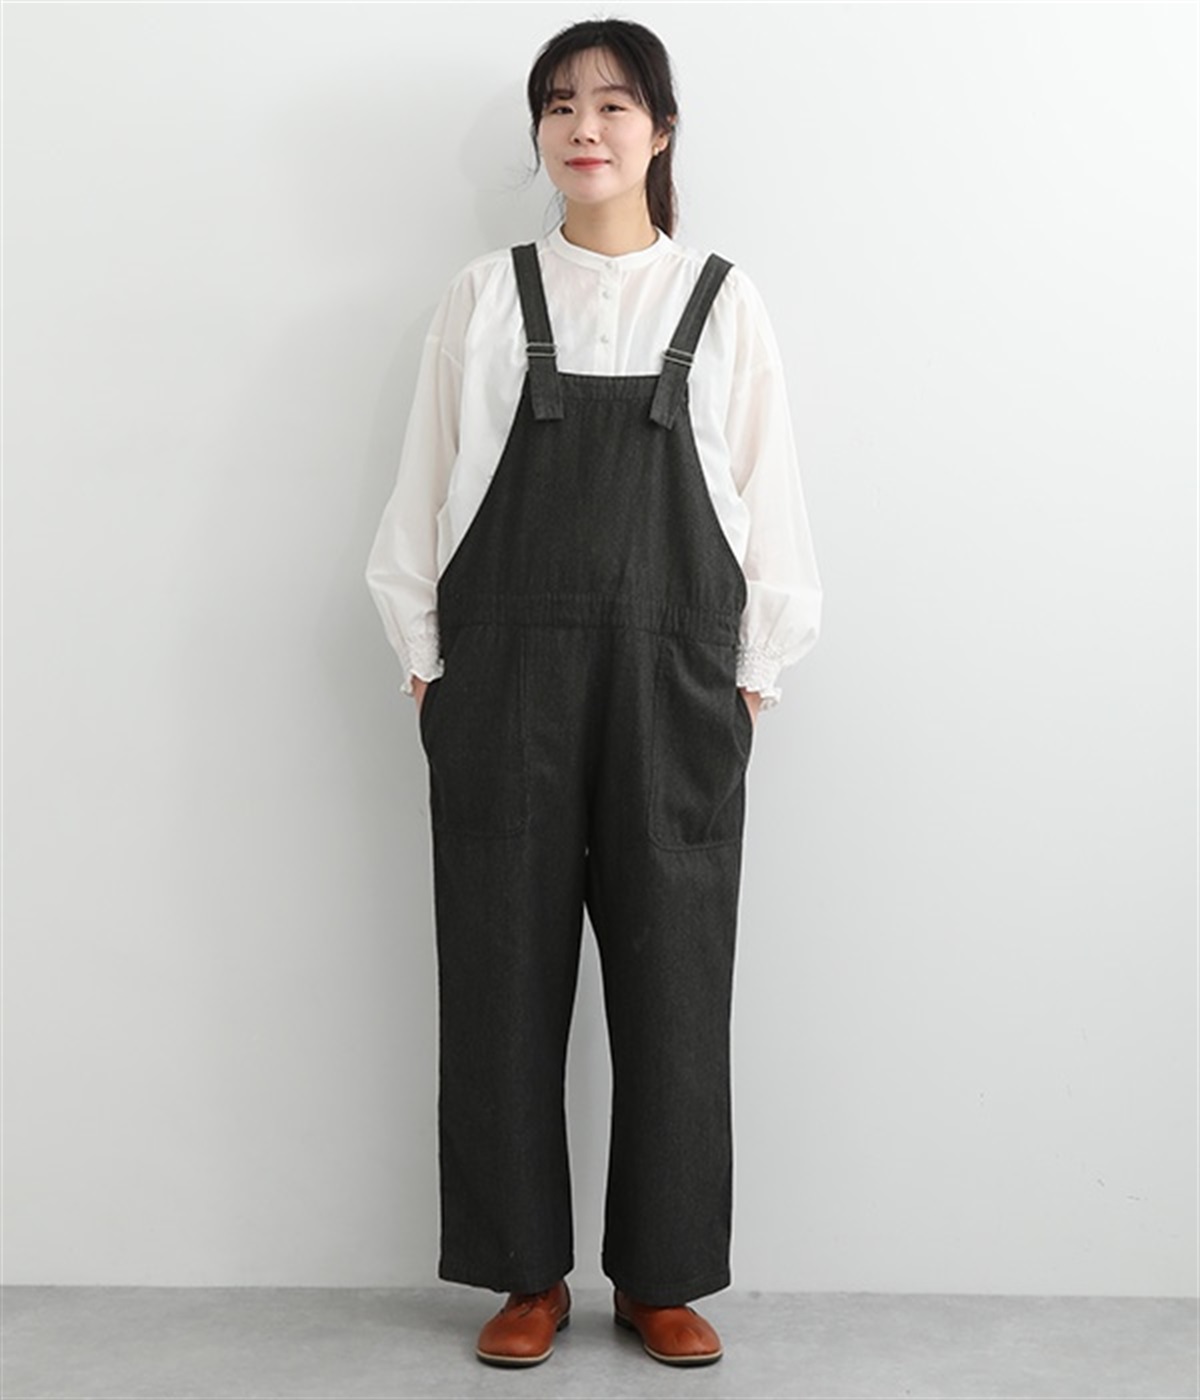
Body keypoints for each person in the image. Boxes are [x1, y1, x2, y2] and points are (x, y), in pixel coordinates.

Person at [365, 16, 822, 1370]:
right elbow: (424, 490)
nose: (585, 128)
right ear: (539, 133)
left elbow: (773, 510)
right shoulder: (483, 297)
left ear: (660, 131)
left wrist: (752, 684)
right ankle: (525, 1274)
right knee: (498, 973)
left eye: (615, 105)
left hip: (677, 688)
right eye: (560, 104)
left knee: (677, 982)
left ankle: (664, 1275)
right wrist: (425, 666)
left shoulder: (722, 302)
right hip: (499, 684)